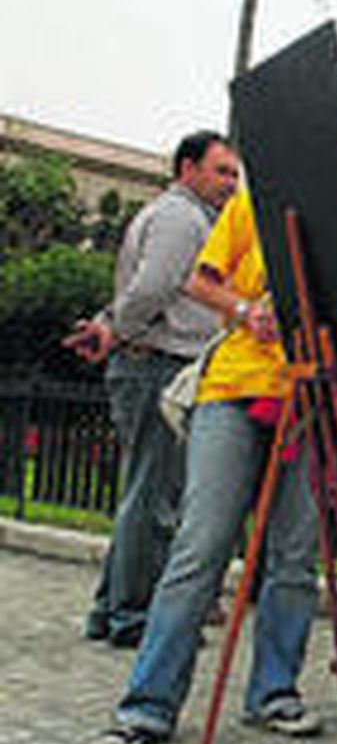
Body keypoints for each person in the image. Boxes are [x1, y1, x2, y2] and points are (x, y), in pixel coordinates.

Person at [89, 132, 337, 744]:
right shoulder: (259, 206)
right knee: (199, 545)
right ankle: (147, 706)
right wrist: (244, 311)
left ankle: (274, 693)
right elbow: (201, 281)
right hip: (236, 391)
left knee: (294, 555)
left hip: (312, 404)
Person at [67, 132, 240, 648]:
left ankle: (110, 608)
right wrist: (116, 328)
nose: (231, 184)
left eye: (234, 174)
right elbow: (153, 286)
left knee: (144, 491)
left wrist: (109, 325)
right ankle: (134, 615)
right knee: (155, 496)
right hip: (159, 364)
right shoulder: (180, 218)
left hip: (152, 360)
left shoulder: (181, 216)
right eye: (221, 171)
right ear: (188, 168)